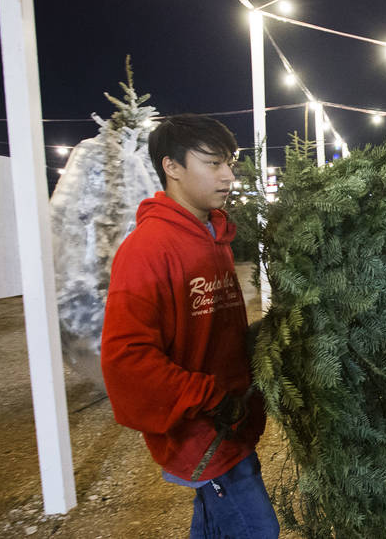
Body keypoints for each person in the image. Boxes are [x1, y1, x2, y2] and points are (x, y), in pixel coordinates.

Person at [101, 114, 279, 536]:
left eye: (229, 163)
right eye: (213, 164)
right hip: (202, 430)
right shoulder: (147, 250)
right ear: (172, 167)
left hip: (230, 420)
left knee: (216, 523)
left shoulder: (211, 237)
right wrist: (210, 398)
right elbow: (125, 359)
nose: (228, 176)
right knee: (257, 530)